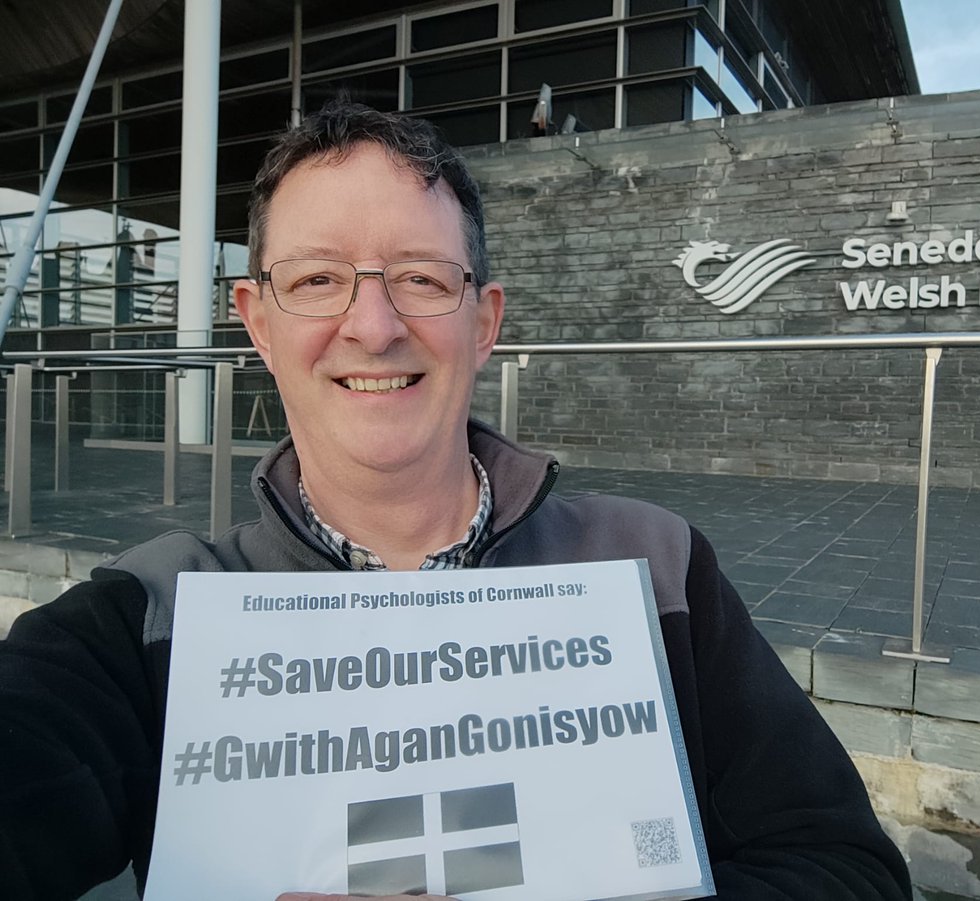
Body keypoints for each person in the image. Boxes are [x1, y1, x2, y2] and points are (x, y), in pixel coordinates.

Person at [0, 100, 911, 901]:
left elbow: (846, 866)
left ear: (485, 323)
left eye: (422, 279)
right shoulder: (149, 619)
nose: (374, 324)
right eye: (318, 278)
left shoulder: (653, 567)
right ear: (258, 322)